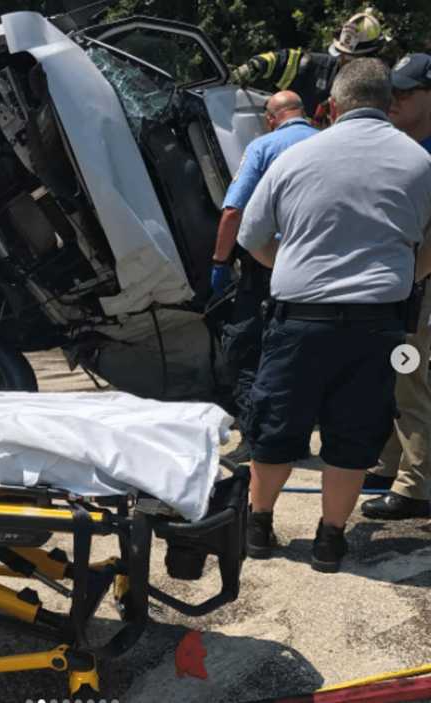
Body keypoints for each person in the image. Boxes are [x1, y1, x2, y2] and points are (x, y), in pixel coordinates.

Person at [236, 58, 431, 573]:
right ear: (388, 103)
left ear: (333, 105)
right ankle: (330, 540)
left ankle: (258, 527)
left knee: (276, 428)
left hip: (299, 318)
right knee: (353, 435)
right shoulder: (418, 162)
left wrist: (292, 266)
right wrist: (408, 274)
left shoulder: (294, 158)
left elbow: (251, 236)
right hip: (379, 323)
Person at [211, 91, 317, 464]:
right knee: (303, 353)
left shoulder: (264, 146)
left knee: (246, 349)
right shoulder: (327, 141)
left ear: (271, 118)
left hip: (270, 266)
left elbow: (233, 211)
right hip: (322, 267)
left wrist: (220, 263)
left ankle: (254, 440)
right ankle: (297, 439)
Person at [361, 53, 431, 520]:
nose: (394, 101)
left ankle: (417, 486)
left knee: (412, 376)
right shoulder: (409, 146)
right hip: (407, 280)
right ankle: (392, 462)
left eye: (405, 94)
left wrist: (410, 280)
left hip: (420, 282)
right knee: (395, 370)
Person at [231, 11, 384, 125]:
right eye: (341, 54)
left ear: (371, 56)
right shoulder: (317, 67)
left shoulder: (384, 90)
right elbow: (282, 60)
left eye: (351, 58)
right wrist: (254, 67)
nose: (344, 61)